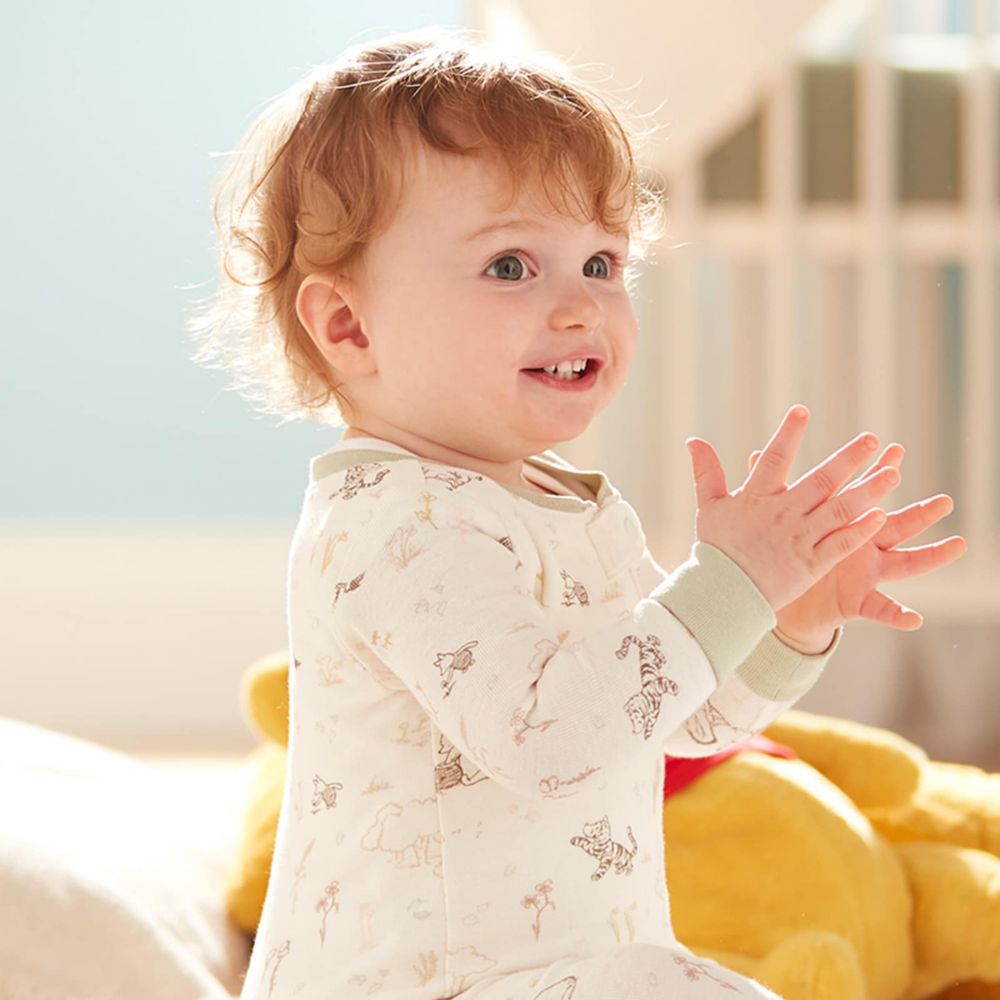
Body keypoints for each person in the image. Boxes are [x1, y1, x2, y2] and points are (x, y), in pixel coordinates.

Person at [189, 26, 967, 1000]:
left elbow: (673, 718)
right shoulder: (396, 527)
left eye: (601, 262)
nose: (579, 306)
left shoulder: (571, 512)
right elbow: (552, 738)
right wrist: (727, 583)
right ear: (348, 325)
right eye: (512, 266)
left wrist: (787, 619)